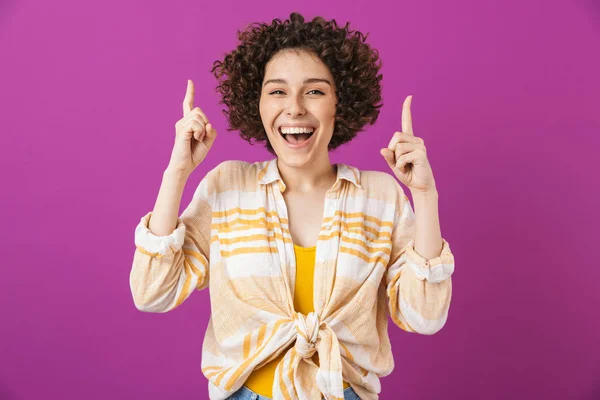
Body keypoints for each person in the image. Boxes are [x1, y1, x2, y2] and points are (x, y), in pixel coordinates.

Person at [129, 12, 455, 400]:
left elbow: (426, 317)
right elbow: (152, 294)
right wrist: (176, 173)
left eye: (314, 91)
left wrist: (425, 194)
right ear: (259, 104)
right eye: (278, 91)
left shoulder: (380, 197)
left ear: (340, 102)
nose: (295, 107)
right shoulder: (226, 186)